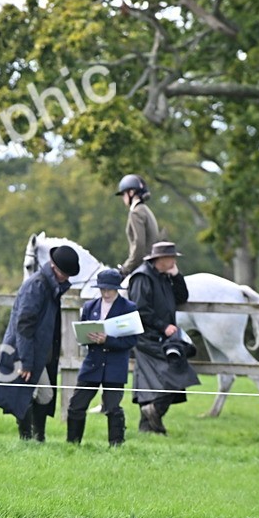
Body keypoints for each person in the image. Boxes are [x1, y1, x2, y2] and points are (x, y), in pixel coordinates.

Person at [0, 245, 80, 441]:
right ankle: (28, 438)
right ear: (54, 267)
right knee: (28, 393)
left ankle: (37, 438)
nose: (67, 278)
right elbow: (24, 325)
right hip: (23, 351)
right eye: (65, 273)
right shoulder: (36, 286)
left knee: (44, 395)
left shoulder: (50, 286)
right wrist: (26, 361)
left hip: (37, 352)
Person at [128, 241, 200, 434]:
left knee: (155, 379)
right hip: (146, 338)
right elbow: (140, 309)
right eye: (171, 257)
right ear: (160, 259)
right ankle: (154, 413)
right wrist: (163, 326)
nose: (174, 260)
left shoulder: (165, 276)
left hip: (161, 337)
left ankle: (148, 427)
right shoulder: (142, 277)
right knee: (173, 372)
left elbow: (182, 297)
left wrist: (177, 276)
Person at [66, 268, 140, 447]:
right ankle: (72, 444)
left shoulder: (128, 308)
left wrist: (108, 340)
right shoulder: (90, 307)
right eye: (103, 289)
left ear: (116, 289)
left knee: (113, 407)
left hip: (115, 365)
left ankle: (116, 445)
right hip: (93, 363)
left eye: (110, 290)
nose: (106, 293)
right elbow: (82, 335)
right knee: (76, 404)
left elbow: (132, 341)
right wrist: (88, 338)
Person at [115, 174, 161, 277]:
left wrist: (125, 268)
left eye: (124, 194)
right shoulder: (145, 210)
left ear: (131, 192)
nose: (123, 198)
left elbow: (139, 244)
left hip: (142, 267)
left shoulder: (136, 212)